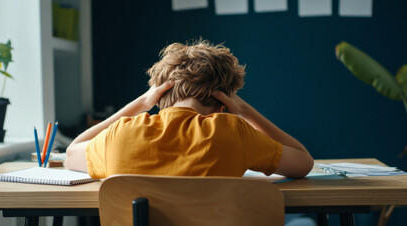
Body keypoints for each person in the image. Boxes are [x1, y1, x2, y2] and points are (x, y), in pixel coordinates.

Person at [65, 39, 314, 179]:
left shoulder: (120, 135)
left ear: (159, 95)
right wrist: (244, 111)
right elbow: (304, 162)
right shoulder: (234, 132)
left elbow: (71, 153)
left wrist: (140, 104)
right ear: (223, 104)